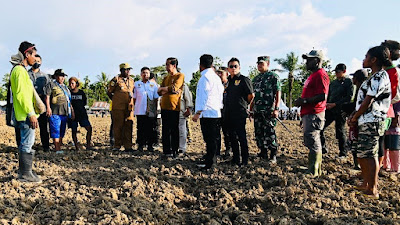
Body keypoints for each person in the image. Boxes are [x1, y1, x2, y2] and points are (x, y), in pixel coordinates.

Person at [348, 46, 391, 199]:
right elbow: (362, 102)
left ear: (374, 60)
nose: (363, 59)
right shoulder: (373, 77)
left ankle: (372, 189)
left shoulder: (380, 76)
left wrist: (356, 116)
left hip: (373, 120)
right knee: (363, 153)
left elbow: (369, 100)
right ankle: (366, 183)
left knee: (369, 154)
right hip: (366, 119)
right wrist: (355, 114)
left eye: (366, 56)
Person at [294, 50, 330, 177]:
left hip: (315, 113)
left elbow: (322, 96)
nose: (307, 62)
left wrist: (304, 101)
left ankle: (314, 169)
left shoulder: (321, 75)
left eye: (310, 59)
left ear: (318, 61)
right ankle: (313, 166)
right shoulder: (313, 75)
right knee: (310, 139)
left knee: (313, 139)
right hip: (309, 113)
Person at [10, 41, 41, 183]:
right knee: (27, 143)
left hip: (22, 114)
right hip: (25, 115)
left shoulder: (18, 70)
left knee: (25, 143)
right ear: (27, 54)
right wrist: (31, 113)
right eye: (33, 55)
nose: (35, 58)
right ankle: (25, 174)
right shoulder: (20, 71)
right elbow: (22, 95)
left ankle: (26, 171)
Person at [193, 54, 224, 169]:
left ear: (200, 65)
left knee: (209, 139)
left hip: (207, 113)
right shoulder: (216, 77)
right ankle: (212, 159)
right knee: (214, 138)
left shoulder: (204, 78)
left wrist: (197, 112)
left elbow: (203, 96)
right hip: (216, 111)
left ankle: (210, 163)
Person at [250, 56, 281, 163]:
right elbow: (253, 95)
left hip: (269, 110)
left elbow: (278, 93)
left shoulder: (273, 77)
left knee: (270, 132)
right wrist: (251, 109)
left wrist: (276, 108)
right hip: (258, 110)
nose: (259, 65)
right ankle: (262, 152)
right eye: (258, 63)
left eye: (261, 64)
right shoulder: (256, 79)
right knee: (259, 132)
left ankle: (273, 154)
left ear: (268, 64)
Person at [225, 57, 254, 166]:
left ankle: (245, 160)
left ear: (239, 67)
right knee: (232, 136)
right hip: (229, 112)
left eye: (235, 66)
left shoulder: (244, 80)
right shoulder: (229, 81)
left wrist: (245, 105)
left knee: (241, 136)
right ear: (228, 69)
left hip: (239, 112)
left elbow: (251, 95)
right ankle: (236, 158)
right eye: (231, 66)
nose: (233, 68)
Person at [321, 63, 353, 158]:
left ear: (344, 72)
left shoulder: (348, 82)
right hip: (330, 109)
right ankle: (323, 148)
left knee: (340, 131)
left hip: (341, 110)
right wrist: (326, 104)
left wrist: (335, 104)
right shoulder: (333, 83)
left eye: (338, 72)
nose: (337, 73)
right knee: (320, 127)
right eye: (336, 72)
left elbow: (348, 97)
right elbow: (328, 95)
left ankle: (343, 153)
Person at [158, 57, 184, 158]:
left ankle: (174, 151)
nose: (166, 67)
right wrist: (167, 90)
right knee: (165, 130)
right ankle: (166, 151)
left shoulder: (180, 76)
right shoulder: (166, 78)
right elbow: (159, 91)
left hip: (174, 107)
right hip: (164, 107)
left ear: (174, 65)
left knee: (174, 130)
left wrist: (166, 89)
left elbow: (175, 88)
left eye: (168, 65)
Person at [342, 69, 368, 169]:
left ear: (356, 79)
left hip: (359, 120)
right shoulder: (361, 89)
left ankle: (358, 165)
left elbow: (359, 106)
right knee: (355, 143)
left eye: (354, 77)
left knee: (356, 143)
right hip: (359, 119)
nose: (352, 79)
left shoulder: (362, 89)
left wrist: (353, 116)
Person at [381, 40, 400, 172]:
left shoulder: (394, 71)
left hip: (393, 109)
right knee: (384, 139)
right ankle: (385, 165)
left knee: (393, 139)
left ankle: (395, 168)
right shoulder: (383, 71)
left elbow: (396, 95)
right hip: (386, 110)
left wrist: (397, 113)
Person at [45, 69, 75, 153]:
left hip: (64, 112)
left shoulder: (65, 88)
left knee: (62, 130)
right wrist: (48, 107)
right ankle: (57, 148)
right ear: (55, 76)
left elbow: (69, 101)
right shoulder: (51, 85)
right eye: (60, 76)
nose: (62, 78)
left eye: (63, 76)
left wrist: (72, 111)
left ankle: (60, 146)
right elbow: (47, 97)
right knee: (55, 129)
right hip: (55, 112)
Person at [107, 63, 135, 152]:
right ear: (122, 71)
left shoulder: (131, 80)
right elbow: (109, 92)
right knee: (118, 126)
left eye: (129, 70)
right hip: (118, 107)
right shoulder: (116, 80)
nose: (128, 72)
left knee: (129, 125)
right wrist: (116, 100)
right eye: (126, 70)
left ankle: (128, 146)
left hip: (129, 107)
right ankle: (117, 145)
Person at [133, 67, 160, 152]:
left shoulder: (153, 85)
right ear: (141, 74)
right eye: (144, 73)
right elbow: (134, 98)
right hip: (140, 110)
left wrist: (155, 110)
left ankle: (150, 145)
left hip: (150, 111)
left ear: (149, 74)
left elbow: (156, 98)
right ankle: (140, 145)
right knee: (140, 128)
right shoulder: (136, 84)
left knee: (150, 128)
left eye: (147, 73)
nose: (145, 74)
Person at [28, 54, 51, 152]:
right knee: (29, 125)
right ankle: (28, 146)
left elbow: (48, 92)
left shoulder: (45, 76)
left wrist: (48, 106)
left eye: (38, 61)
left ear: (41, 62)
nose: (36, 63)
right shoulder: (26, 74)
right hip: (30, 101)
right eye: (35, 60)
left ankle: (46, 146)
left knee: (43, 126)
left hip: (41, 102)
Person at [68, 77, 92, 151]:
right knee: (74, 130)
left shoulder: (81, 93)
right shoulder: (69, 93)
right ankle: (76, 146)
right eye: (70, 83)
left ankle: (88, 145)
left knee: (89, 128)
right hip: (73, 115)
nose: (71, 85)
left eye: (72, 83)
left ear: (76, 84)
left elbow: (84, 102)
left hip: (82, 114)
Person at [216, 68, 231, 157]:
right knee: (216, 133)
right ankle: (216, 151)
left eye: (221, 73)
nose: (219, 75)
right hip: (218, 111)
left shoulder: (230, 85)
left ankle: (228, 150)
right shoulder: (216, 85)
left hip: (227, 112)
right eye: (218, 73)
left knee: (227, 133)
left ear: (226, 75)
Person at [178, 83, 193, 155]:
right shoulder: (167, 83)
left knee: (182, 130)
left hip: (181, 111)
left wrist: (189, 109)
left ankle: (182, 148)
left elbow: (188, 98)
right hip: (171, 111)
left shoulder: (183, 86)